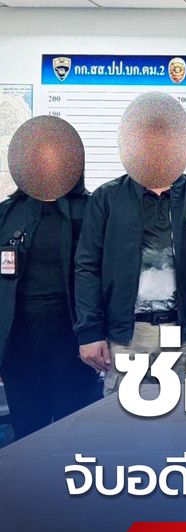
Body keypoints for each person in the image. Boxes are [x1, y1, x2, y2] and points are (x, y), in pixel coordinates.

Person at [74, 93, 186, 396]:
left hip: (185, 335)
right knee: (122, 419)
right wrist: (90, 331)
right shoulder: (107, 199)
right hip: (128, 335)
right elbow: (87, 267)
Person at [0, 116, 96, 439]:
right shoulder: (8, 213)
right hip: (20, 342)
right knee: (28, 430)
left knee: (74, 429)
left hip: (72, 338)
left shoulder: (90, 210)